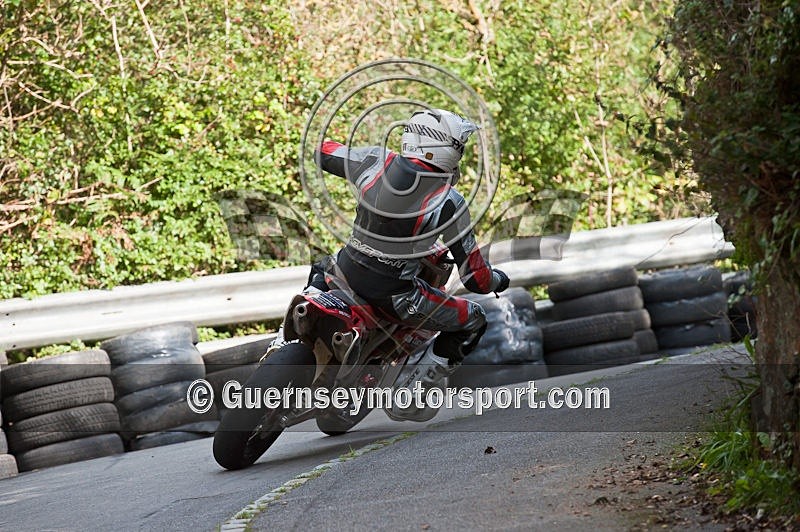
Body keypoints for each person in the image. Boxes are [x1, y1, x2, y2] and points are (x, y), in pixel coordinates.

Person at [273, 108, 509, 421]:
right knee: (474, 319)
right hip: (396, 298)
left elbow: (321, 151)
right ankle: (413, 392)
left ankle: (281, 343)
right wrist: (497, 280)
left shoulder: (374, 160)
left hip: (343, 272)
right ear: (445, 148)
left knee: (321, 265)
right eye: (459, 148)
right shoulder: (450, 201)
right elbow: (475, 278)